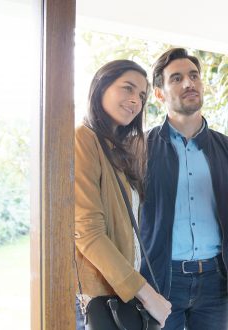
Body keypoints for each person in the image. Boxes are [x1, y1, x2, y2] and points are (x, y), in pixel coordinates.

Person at [139, 48, 228, 330]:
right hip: (160, 282)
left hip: (215, 285)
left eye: (194, 76)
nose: (189, 83)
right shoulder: (139, 150)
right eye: (176, 78)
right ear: (160, 94)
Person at [74, 59, 172, 329]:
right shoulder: (83, 139)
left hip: (117, 293)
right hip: (94, 298)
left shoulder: (117, 150)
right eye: (127, 88)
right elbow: (87, 231)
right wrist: (147, 294)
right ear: (101, 87)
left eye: (141, 95)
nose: (135, 101)